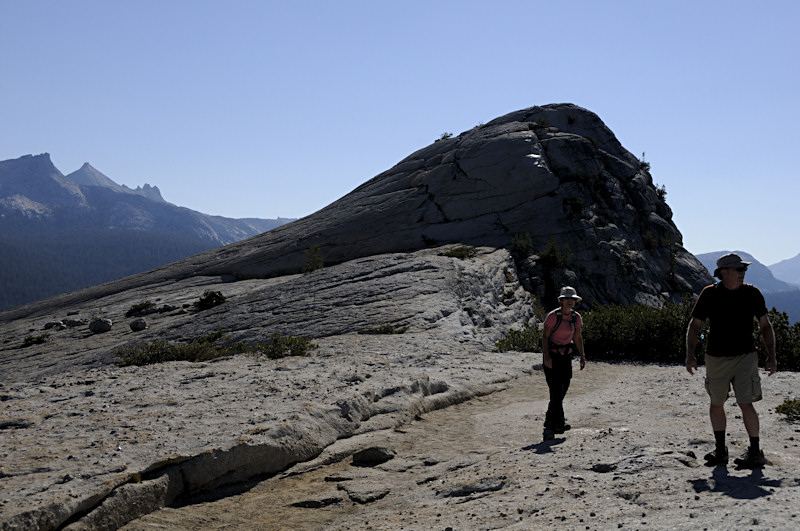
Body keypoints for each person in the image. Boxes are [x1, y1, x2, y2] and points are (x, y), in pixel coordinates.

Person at [685, 252, 777, 468]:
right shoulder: (709, 294)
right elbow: (695, 325)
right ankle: (720, 451)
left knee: (746, 403)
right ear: (723, 273)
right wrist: (690, 354)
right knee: (716, 403)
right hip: (716, 357)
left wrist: (771, 356)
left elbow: (765, 325)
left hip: (746, 356)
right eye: (739, 269)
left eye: (744, 269)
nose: (743, 273)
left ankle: (755, 452)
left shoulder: (752, 293)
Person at [542, 286, 587, 441]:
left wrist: (582, 356)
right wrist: (546, 356)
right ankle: (550, 425)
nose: (570, 301)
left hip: (566, 358)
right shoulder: (552, 317)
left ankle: (557, 423)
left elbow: (578, 337)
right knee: (555, 391)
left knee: (562, 391)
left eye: (572, 299)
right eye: (567, 299)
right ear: (561, 300)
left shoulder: (576, 318)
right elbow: (545, 337)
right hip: (552, 358)